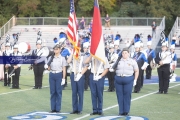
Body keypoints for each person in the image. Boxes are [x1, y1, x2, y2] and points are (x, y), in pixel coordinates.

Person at [114, 48, 139, 116]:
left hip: (128, 79)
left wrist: (135, 80)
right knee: (119, 95)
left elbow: (136, 71)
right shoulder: (118, 60)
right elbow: (114, 68)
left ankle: (126, 111)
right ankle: (121, 111)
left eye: (125, 53)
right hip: (119, 79)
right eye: (123, 53)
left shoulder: (132, 61)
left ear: (128, 53)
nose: (124, 54)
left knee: (127, 95)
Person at [67, 42, 89, 114]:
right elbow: (68, 61)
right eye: (76, 48)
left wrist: (80, 74)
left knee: (80, 92)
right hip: (73, 74)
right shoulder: (73, 55)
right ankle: (74, 109)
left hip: (80, 74)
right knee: (74, 92)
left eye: (78, 48)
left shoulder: (83, 56)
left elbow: (86, 66)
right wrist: (72, 53)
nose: (77, 49)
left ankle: (80, 109)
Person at [45, 44, 67, 113]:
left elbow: (64, 69)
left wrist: (63, 78)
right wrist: (47, 67)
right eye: (54, 49)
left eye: (57, 49)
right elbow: (49, 68)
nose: (55, 50)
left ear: (60, 50)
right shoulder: (51, 58)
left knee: (58, 92)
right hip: (52, 74)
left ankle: (58, 108)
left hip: (58, 74)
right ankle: (53, 108)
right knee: (52, 92)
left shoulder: (62, 58)